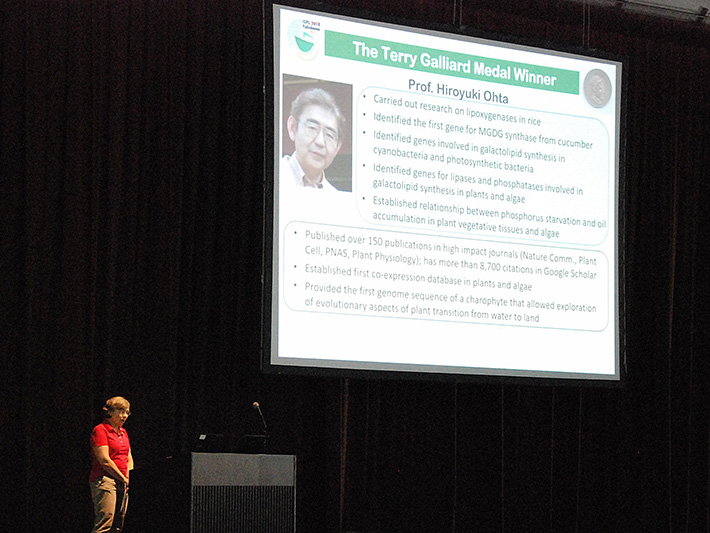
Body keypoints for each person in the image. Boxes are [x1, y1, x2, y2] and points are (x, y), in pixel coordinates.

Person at [282, 87, 345, 190]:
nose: (320, 142)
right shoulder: (275, 176)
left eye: (329, 135)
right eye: (312, 128)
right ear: (292, 127)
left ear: (337, 147)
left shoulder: (336, 198)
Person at [89, 396, 134, 533]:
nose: (124, 416)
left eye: (127, 412)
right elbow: (105, 460)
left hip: (122, 481)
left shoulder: (123, 432)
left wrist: (129, 479)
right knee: (105, 521)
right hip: (105, 480)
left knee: (119, 523)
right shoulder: (100, 430)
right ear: (109, 412)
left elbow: (128, 458)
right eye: (121, 411)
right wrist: (123, 478)